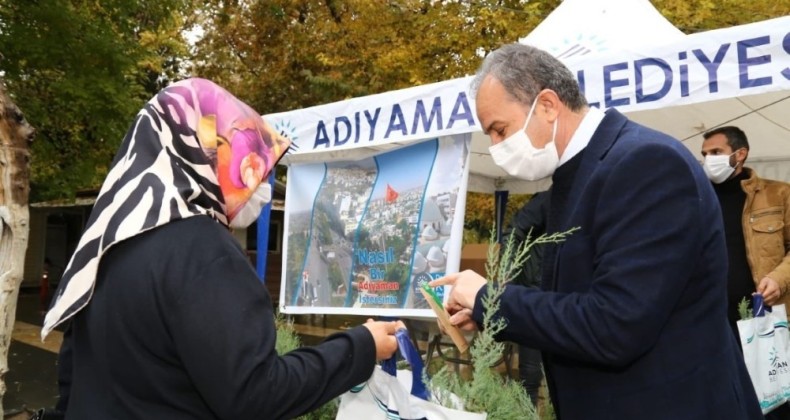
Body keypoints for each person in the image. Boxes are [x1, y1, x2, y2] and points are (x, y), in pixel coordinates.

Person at [430, 43, 762, 419]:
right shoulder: (578, 174)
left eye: (500, 129)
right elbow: (577, 296)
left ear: (548, 105)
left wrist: (493, 300)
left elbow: (615, 324)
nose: (495, 147)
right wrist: (487, 308)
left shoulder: (645, 163)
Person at [40, 78, 404, 419]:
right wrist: (361, 347)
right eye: (246, 163)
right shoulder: (201, 249)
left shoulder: (102, 247)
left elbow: (72, 379)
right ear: (206, 155)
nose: (257, 186)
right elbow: (255, 393)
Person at [701, 126, 790, 420]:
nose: (708, 160)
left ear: (740, 154)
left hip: (765, 317)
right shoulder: (696, 199)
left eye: (716, 153)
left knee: (776, 401)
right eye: (704, 154)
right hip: (713, 322)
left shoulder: (779, 194)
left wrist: (778, 279)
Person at [501, 190, 550, 406]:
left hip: (567, 299)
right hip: (534, 296)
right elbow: (513, 232)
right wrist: (507, 277)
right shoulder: (549, 198)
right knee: (530, 376)